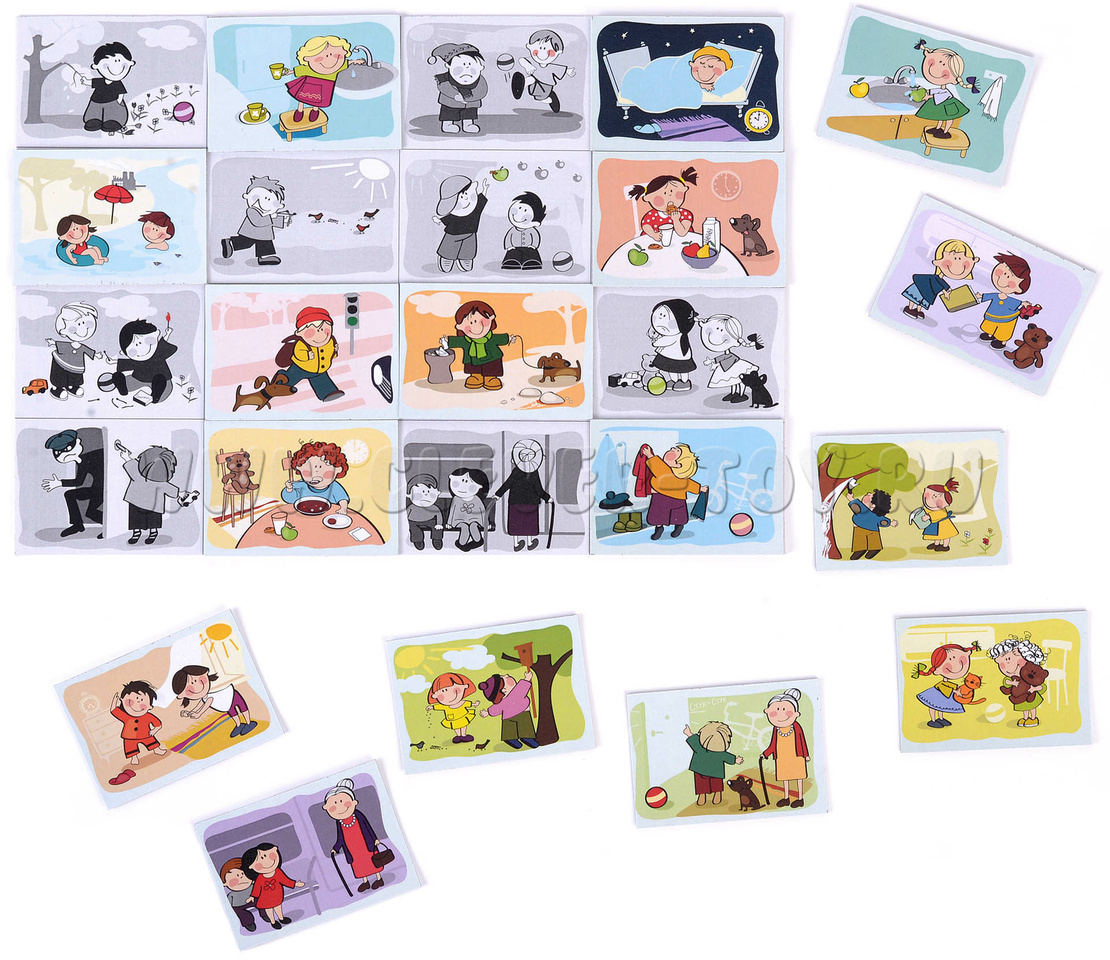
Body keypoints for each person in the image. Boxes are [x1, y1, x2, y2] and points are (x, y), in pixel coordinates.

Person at [119, 443, 199, 545]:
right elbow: (171, 489)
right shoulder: (159, 481)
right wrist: (181, 494)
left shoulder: (137, 472)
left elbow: (129, 461)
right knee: (143, 520)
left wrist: (126, 456)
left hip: (138, 502)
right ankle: (146, 533)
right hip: (143, 503)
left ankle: (143, 533)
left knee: (145, 520)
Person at [280, 35, 365, 124]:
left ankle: (315, 110)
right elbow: (299, 70)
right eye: (324, 56)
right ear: (308, 58)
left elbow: (346, 63)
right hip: (309, 84)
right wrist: (289, 72)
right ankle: (300, 111)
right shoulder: (309, 68)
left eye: (335, 55)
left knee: (317, 102)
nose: (330, 59)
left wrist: (356, 61)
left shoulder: (338, 67)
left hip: (325, 86)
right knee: (302, 99)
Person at [323, 778, 388, 893]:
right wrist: (335, 848)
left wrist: (375, 839)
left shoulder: (358, 815)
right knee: (359, 865)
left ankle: (379, 878)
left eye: (342, 801)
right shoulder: (339, 822)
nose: (339, 807)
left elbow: (367, 827)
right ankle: (365, 881)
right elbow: (340, 838)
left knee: (372, 860)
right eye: (335, 804)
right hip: (352, 849)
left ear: (353, 802)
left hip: (366, 844)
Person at [440, 299, 517, 391]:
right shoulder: (466, 340)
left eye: (481, 321)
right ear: (460, 327)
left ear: (490, 319)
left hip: (492, 358)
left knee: (491, 367)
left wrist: (509, 338)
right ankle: (476, 376)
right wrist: (446, 341)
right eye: (471, 323)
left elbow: (501, 338)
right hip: (472, 359)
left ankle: (490, 378)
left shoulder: (491, 338)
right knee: (474, 367)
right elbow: (457, 341)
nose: (477, 327)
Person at [636, 442, 707, 541]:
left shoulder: (667, 472)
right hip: (665, 498)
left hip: (670, 499)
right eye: (674, 448)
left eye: (677, 451)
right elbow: (690, 484)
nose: (672, 449)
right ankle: (662, 528)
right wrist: (700, 488)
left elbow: (657, 466)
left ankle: (675, 527)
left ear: (680, 464)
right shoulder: (667, 471)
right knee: (662, 515)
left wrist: (650, 455)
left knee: (671, 515)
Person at [41, 428, 104, 538]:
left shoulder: (99, 453)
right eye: (58, 453)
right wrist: (59, 483)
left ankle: (109, 527)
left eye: (68, 448)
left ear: (78, 442)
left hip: (108, 488)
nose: (64, 454)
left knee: (90, 512)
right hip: (97, 490)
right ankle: (77, 524)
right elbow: (79, 481)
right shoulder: (82, 461)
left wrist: (60, 483)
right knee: (71, 495)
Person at [493, 439, 551, 551]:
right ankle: (530, 543)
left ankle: (516, 544)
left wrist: (497, 495)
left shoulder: (516, 471)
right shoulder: (534, 472)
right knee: (529, 523)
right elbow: (538, 489)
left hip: (515, 502)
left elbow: (507, 484)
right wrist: (547, 498)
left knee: (516, 522)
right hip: (531, 503)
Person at [901, 238, 978, 322]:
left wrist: (948, 290)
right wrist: (945, 292)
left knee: (923, 300)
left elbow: (942, 283)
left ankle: (918, 311)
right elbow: (937, 283)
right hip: (922, 285)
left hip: (929, 291)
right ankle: (909, 308)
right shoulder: (935, 277)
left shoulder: (940, 278)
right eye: (956, 258)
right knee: (916, 297)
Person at [172, 664, 257, 738]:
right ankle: (239, 725)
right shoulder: (204, 696)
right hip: (225, 704)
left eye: (194, 681)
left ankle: (248, 723)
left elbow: (208, 703)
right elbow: (200, 704)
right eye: (191, 686)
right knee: (232, 713)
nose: (196, 686)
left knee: (242, 708)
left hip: (232, 694)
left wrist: (199, 714)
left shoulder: (211, 692)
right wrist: (191, 712)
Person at [108, 679, 167, 785]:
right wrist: (115, 700)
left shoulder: (148, 716)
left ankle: (157, 750)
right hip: (129, 737)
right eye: (132, 700)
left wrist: (154, 730)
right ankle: (134, 758)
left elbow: (158, 724)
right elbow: (113, 710)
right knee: (130, 748)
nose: (137, 704)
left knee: (151, 741)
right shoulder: (126, 717)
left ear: (150, 706)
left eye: (141, 701)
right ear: (123, 701)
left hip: (146, 734)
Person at [221, 176, 289, 267]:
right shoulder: (252, 210)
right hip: (251, 233)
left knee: (260, 242)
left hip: (262, 234)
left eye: (274, 201)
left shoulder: (267, 213)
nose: (271, 203)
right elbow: (259, 221)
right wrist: (272, 216)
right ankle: (230, 243)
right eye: (268, 199)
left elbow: (270, 220)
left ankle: (263, 257)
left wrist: (283, 220)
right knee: (247, 243)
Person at [280, 306, 344, 402]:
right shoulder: (301, 343)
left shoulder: (330, 341)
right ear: (300, 333)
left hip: (319, 370)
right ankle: (278, 386)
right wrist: (306, 356)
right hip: (301, 367)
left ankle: (327, 393)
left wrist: (334, 351)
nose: (320, 334)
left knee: (322, 381)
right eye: (313, 331)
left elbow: (330, 354)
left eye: (323, 329)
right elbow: (298, 353)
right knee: (289, 379)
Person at [108, 318, 178, 404]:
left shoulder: (158, 353)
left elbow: (163, 344)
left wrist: (167, 334)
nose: (142, 348)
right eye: (134, 348)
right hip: (139, 378)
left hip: (161, 379)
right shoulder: (137, 360)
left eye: (148, 341)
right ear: (124, 352)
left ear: (156, 335)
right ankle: (123, 389)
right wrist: (113, 361)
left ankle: (156, 396)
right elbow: (128, 363)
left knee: (161, 383)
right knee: (129, 382)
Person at [913, 46, 977, 140]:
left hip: (949, 104)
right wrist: (929, 91)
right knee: (940, 116)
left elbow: (944, 94)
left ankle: (945, 131)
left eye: (943, 65)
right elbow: (940, 91)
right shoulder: (943, 87)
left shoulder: (946, 91)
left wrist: (930, 96)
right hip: (942, 103)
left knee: (948, 118)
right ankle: (938, 128)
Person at [45, 301, 105, 400]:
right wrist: (53, 343)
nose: (83, 328)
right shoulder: (67, 345)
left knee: (75, 376)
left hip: (76, 366)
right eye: (78, 324)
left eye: (85, 323)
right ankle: (57, 389)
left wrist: (96, 355)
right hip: (61, 362)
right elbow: (60, 344)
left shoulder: (82, 347)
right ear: (63, 330)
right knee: (60, 376)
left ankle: (73, 387)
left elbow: (88, 351)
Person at [761, 688, 810, 808]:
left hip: (796, 756)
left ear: (795, 713)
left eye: (784, 710)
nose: (780, 714)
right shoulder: (776, 729)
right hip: (782, 757)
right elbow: (773, 744)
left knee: (798, 777)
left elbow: (802, 741)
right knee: (785, 778)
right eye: (776, 710)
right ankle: (786, 798)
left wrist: (806, 755)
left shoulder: (796, 727)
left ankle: (800, 798)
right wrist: (766, 754)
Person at [913, 642, 978, 728]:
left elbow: (947, 684)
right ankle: (933, 720)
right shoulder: (941, 683)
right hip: (937, 693)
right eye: (950, 659)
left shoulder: (947, 680)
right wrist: (955, 691)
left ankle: (941, 718)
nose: (956, 665)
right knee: (933, 706)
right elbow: (942, 686)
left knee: (941, 706)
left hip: (945, 694)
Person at [974, 253, 1033, 349]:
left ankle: (1002, 341)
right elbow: (989, 296)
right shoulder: (996, 295)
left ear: (1018, 289)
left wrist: (1023, 303)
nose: (1003, 278)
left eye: (1009, 277)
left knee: (1004, 331)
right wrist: (980, 296)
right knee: (989, 326)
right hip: (992, 315)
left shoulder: (1010, 300)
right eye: (1004, 273)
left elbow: (1016, 302)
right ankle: (989, 334)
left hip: (1007, 318)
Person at [698, 312, 760, 402]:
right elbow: (723, 357)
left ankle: (741, 394)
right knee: (732, 381)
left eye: (721, 331)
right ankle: (733, 393)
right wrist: (713, 362)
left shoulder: (730, 354)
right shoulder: (727, 353)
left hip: (736, 366)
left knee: (740, 381)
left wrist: (713, 361)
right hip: (729, 366)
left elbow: (725, 357)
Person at [988, 636, 1048, 728]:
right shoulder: (1013, 678)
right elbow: (1006, 682)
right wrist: (1012, 683)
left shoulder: (1032, 676)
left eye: (1009, 658)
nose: (1007, 663)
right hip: (1020, 698)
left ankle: (1033, 718)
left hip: (1031, 697)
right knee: (1025, 709)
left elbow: (1042, 687)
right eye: (1001, 662)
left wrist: (1034, 689)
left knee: (1031, 707)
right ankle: (1025, 718)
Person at [433, 176, 490, 273]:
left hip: (470, 234)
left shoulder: (475, 210)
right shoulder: (453, 215)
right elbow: (445, 220)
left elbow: (481, 200)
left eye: (466, 194)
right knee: (449, 249)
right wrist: (438, 220)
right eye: (461, 197)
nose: (465, 199)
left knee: (468, 250)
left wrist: (484, 190)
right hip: (452, 235)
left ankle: (465, 259)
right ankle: (447, 258)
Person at [511, 29, 576, 114]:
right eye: (539, 48)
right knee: (532, 79)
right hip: (534, 84)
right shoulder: (533, 62)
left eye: (547, 50)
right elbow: (522, 60)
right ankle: (520, 85)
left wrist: (568, 71)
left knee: (541, 98)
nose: (542, 53)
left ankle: (551, 99)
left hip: (546, 86)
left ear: (558, 53)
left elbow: (561, 69)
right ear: (530, 47)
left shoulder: (552, 67)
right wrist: (527, 66)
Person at [627, 167, 698, 244]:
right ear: (649, 198)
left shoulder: (685, 214)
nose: (670, 198)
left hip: (682, 244)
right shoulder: (652, 215)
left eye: (675, 194)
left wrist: (676, 220)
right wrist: (653, 234)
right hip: (656, 244)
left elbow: (682, 233)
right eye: (663, 195)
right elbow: (646, 226)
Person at [241, 843, 304, 931]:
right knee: (269, 910)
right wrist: (253, 896)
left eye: (267, 855)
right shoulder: (260, 878)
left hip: (277, 895)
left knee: (278, 907)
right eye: (261, 859)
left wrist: (295, 884)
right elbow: (257, 888)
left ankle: (281, 918)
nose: (267, 862)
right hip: (265, 899)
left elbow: (285, 880)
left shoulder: (278, 872)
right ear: (252, 867)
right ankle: (273, 921)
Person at [429, 42, 487, 134]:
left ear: (480, 67)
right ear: (449, 66)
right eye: (461, 67)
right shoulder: (444, 79)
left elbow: (482, 91)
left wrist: (468, 98)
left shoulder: (480, 80)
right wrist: (456, 96)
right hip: (450, 102)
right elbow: (443, 87)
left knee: (469, 113)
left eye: (471, 66)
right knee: (449, 113)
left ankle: (468, 124)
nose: (466, 69)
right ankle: (447, 124)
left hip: (471, 103)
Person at [78, 41, 134, 133]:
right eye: (107, 65)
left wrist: (119, 101)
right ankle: (94, 120)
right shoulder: (100, 81)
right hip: (96, 102)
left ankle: (113, 121)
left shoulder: (117, 83)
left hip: (113, 103)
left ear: (130, 63)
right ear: (96, 66)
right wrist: (85, 81)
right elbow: (91, 82)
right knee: (94, 113)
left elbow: (121, 93)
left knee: (112, 114)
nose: (116, 67)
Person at [644, 299, 698, 392]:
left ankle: (684, 382)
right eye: (659, 317)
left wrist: (656, 342)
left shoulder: (675, 336)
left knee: (682, 370)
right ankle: (673, 381)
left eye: (664, 316)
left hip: (680, 358)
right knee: (671, 369)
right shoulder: (668, 335)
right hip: (669, 356)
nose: (660, 321)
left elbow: (664, 341)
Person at [282, 441, 350, 514]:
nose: (315, 475)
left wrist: (343, 508)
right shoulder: (300, 485)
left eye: (323, 470)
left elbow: (343, 499)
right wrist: (289, 489)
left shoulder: (334, 487)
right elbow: (290, 499)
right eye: (308, 471)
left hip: (328, 516)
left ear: (338, 469)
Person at [684, 721, 742, 806]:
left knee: (703, 785)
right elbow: (728, 757)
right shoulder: (720, 753)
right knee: (716, 785)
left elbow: (694, 739)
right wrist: (736, 760)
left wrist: (689, 733)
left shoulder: (699, 747)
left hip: (700, 770)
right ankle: (716, 795)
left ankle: (703, 796)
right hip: (715, 772)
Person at [480, 670, 540, 748]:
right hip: (523, 713)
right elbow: (522, 687)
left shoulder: (503, 701)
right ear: (504, 690)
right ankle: (526, 737)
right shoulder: (517, 693)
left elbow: (496, 708)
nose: (507, 675)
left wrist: (487, 712)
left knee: (509, 730)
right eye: (505, 678)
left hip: (507, 717)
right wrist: (527, 678)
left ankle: (510, 738)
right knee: (525, 726)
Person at [844, 480, 897, 560]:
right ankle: (858, 555)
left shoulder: (868, 512)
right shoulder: (863, 510)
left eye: (870, 495)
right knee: (861, 547)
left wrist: (889, 523)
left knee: (873, 546)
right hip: (863, 530)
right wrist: (890, 523)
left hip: (866, 530)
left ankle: (867, 554)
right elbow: (882, 521)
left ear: (873, 505)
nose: (868, 493)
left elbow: (882, 521)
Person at [445, 467, 490, 552]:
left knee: (473, 525)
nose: (463, 488)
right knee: (464, 527)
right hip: (459, 520)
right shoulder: (456, 499)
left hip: (475, 519)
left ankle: (478, 541)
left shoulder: (476, 499)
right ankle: (461, 544)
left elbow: (483, 512)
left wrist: (486, 524)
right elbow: (452, 511)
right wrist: (449, 523)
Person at [426, 672, 478, 744]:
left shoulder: (461, 702)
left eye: (455, 689)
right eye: (443, 691)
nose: (450, 695)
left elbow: (467, 704)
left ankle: (463, 735)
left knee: (463, 725)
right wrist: (431, 707)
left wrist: (474, 704)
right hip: (452, 719)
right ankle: (458, 736)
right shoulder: (445, 706)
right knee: (456, 727)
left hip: (462, 716)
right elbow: (438, 707)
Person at [501, 191, 546, 270]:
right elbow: (508, 238)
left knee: (531, 254)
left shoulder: (532, 230)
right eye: (519, 208)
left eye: (525, 211)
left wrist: (533, 246)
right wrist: (509, 247)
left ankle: (532, 262)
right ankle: (511, 262)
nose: (519, 214)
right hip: (515, 248)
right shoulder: (512, 230)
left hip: (529, 248)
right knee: (512, 254)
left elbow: (535, 237)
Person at [916, 477, 959, 552]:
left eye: (934, 496)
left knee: (945, 536)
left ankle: (945, 546)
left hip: (944, 525)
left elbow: (940, 514)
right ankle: (936, 544)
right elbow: (928, 510)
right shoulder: (931, 508)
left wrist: (929, 516)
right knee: (937, 535)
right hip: (936, 524)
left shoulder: (941, 511)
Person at [405, 474, 444, 551]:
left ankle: (437, 539)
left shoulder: (434, 508)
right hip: (413, 521)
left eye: (429, 492)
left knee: (437, 527)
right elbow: (405, 516)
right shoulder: (411, 508)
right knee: (414, 529)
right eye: (422, 492)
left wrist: (439, 524)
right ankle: (418, 540)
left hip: (430, 520)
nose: (426, 495)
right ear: (410, 495)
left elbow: (439, 515)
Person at [220, 859, 258, 933]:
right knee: (240, 912)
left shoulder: (253, 886)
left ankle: (265, 914)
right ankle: (248, 922)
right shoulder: (232, 895)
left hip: (253, 899)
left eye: (243, 874)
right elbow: (228, 904)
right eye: (235, 878)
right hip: (238, 906)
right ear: (225, 883)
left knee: (262, 902)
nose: (241, 878)